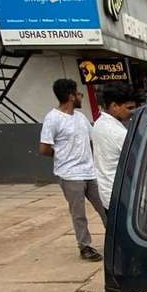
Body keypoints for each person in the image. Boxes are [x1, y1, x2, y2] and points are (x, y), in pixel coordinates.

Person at [39, 78, 106, 261]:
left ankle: (116, 238)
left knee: (105, 206)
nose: (80, 97)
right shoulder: (52, 118)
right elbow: (44, 148)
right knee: (79, 213)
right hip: (69, 175)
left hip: (90, 172)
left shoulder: (81, 117)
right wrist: (62, 155)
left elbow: (93, 140)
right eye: (78, 93)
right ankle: (85, 246)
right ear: (70, 96)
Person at [91, 82, 136, 212]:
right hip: (120, 196)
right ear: (114, 106)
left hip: (108, 192)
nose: (132, 112)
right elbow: (140, 158)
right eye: (129, 108)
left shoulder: (99, 123)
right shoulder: (116, 132)